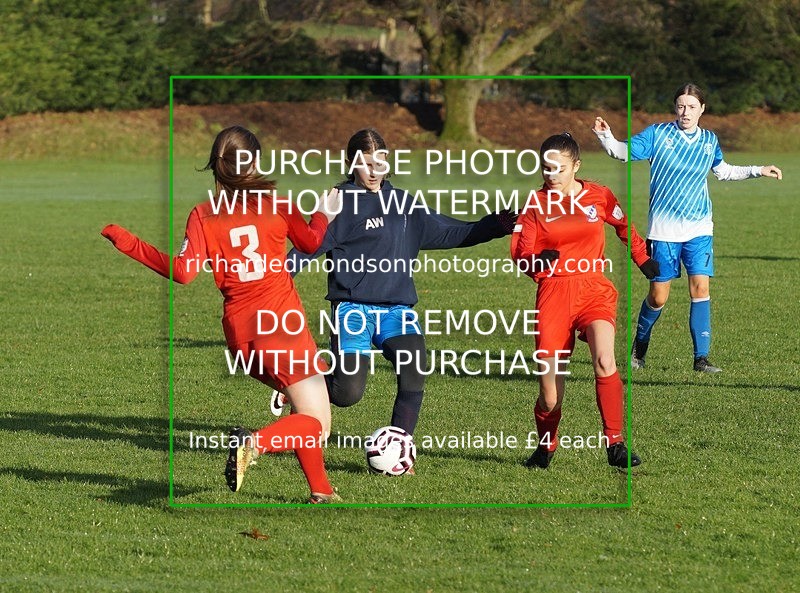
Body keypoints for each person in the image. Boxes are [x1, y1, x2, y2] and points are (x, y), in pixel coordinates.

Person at [101, 125, 343, 503]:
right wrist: (324, 213)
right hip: (280, 325)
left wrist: (131, 243)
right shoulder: (274, 203)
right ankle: (255, 443)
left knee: (302, 410)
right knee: (316, 426)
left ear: (216, 167)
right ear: (255, 162)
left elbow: (183, 273)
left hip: (240, 337)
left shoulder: (203, 214)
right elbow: (311, 242)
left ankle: (322, 492)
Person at [286, 128, 516, 450]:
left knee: (414, 371)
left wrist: (495, 225)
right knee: (347, 393)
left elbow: (452, 232)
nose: (375, 169)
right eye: (366, 162)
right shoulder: (340, 204)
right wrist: (274, 280)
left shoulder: (404, 204)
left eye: (381, 160)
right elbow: (305, 249)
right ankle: (298, 386)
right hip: (353, 310)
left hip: (397, 310)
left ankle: (399, 449)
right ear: (352, 164)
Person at [593, 83, 783, 373]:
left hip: (699, 228)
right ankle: (639, 350)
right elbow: (623, 152)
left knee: (701, 287)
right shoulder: (658, 134)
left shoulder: (709, 140)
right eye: (681, 106)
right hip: (664, 232)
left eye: (692, 106)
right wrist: (606, 136)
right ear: (675, 107)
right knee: (658, 296)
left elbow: (723, 171)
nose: (685, 111)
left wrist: (758, 170)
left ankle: (701, 359)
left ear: (702, 109)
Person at [511, 132, 658, 469]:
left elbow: (622, 224)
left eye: (559, 168)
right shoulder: (535, 204)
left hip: (594, 289)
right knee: (549, 398)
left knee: (605, 360)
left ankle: (616, 444)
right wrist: (537, 261)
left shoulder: (598, 196)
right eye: (546, 168)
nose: (551, 175)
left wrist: (641, 258)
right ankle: (546, 447)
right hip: (554, 295)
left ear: (575, 166)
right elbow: (520, 251)